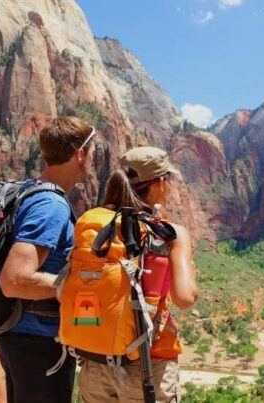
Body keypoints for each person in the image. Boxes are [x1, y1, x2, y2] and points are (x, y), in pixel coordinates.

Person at [78, 146, 199, 403]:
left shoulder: (97, 226)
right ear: (159, 183)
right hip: (149, 365)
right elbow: (185, 298)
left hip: (95, 361)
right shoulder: (169, 233)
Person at [0, 116, 96, 403]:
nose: (91, 160)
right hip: (37, 344)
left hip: (21, 338)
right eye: (91, 153)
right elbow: (15, 279)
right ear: (80, 154)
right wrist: (79, 286)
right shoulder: (51, 205)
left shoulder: (30, 191)